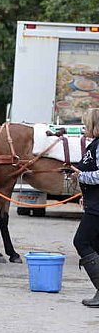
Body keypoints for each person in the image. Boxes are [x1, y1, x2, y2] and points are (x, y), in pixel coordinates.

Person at [71, 108, 99, 307]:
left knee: (81, 241)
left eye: (86, 123)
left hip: (97, 207)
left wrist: (81, 176)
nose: (84, 126)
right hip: (93, 202)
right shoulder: (94, 145)